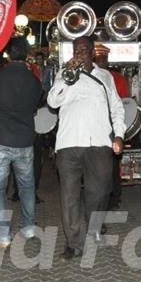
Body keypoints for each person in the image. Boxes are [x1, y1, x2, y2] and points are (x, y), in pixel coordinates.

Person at [47, 35, 125, 260]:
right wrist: (65, 79)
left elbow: (117, 108)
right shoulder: (64, 75)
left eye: (83, 50)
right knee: (69, 196)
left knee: (99, 191)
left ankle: (93, 227)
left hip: (99, 143)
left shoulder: (105, 77)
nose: (79, 53)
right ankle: (74, 243)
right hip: (68, 143)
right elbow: (52, 102)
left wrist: (119, 135)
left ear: (92, 52)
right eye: (76, 50)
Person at [0, 37, 42, 248]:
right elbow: (36, 104)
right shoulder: (34, 80)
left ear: (8, 53)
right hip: (25, 140)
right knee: (27, 186)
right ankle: (28, 227)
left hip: (0, 139)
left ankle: (3, 236)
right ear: (26, 54)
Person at [94, 43, 129, 209]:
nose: (102, 63)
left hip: (112, 127)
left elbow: (124, 104)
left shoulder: (117, 78)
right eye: (99, 60)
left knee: (114, 166)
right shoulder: (88, 75)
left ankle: (114, 198)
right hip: (95, 126)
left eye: (104, 60)